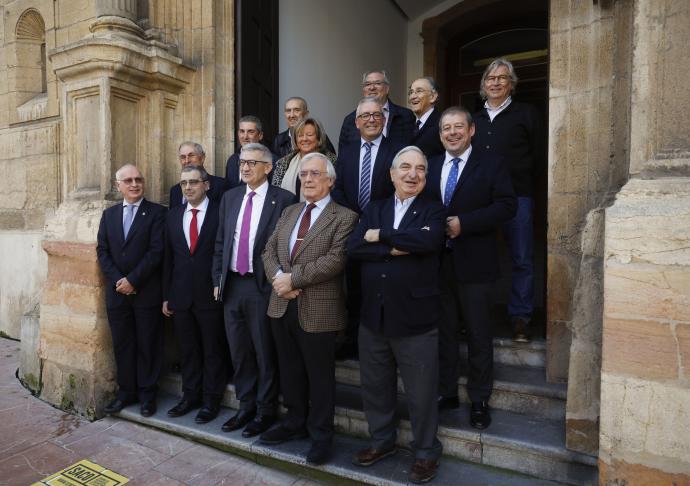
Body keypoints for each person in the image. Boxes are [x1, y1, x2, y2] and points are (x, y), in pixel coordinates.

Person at [348, 146, 446, 484]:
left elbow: (429, 243)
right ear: (391, 174)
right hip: (373, 317)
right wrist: (397, 245)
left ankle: (425, 452)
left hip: (416, 319)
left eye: (420, 168)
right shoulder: (374, 208)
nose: (413, 174)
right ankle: (382, 441)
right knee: (375, 387)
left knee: (421, 393)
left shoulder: (434, 210)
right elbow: (354, 247)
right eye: (405, 167)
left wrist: (383, 236)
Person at [259, 153, 358, 466]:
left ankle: (321, 435)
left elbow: (336, 259)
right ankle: (294, 422)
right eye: (304, 175)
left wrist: (293, 279)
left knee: (320, 377)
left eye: (315, 174)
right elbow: (268, 250)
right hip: (281, 305)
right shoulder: (289, 211)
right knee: (290, 371)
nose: (309, 179)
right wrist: (278, 279)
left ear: (330, 180)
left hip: (320, 310)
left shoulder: (345, 216)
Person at [425, 107, 516, 429]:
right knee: (444, 333)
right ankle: (447, 392)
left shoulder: (492, 164)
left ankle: (479, 400)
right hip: (438, 264)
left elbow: (507, 205)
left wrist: (466, 223)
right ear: (440, 135)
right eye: (446, 128)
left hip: (476, 262)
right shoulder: (431, 165)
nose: (452, 133)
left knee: (478, 335)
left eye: (458, 127)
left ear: (471, 130)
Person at [212, 143, 296, 437]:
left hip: (263, 287)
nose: (245, 167)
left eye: (251, 162)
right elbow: (221, 242)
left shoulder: (284, 200)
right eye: (242, 163)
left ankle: (265, 411)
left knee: (264, 351)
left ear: (268, 168)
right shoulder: (230, 197)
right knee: (239, 351)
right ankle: (245, 406)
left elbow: (287, 248)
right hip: (232, 285)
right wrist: (217, 280)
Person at [472, 59, 544, 342]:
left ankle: (520, 318)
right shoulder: (473, 120)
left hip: (517, 197)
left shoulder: (527, 113)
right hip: (480, 200)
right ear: (483, 85)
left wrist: (523, 182)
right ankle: (478, 315)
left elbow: (538, 156)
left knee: (522, 258)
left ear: (511, 83)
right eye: (490, 78)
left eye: (502, 77)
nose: (496, 82)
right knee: (479, 257)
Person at [332, 96, 403, 358]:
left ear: (384, 121)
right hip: (353, 230)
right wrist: (355, 217)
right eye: (365, 116)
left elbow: (399, 189)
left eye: (376, 115)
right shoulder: (348, 151)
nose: (371, 120)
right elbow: (337, 188)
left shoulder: (397, 149)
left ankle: (385, 347)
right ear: (356, 121)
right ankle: (353, 341)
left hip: (382, 230)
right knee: (354, 288)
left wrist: (372, 218)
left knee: (382, 288)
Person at [96, 164, 166, 417]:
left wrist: (133, 280)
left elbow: (156, 251)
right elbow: (102, 251)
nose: (134, 184)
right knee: (123, 345)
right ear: (118, 186)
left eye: (138, 179)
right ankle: (126, 392)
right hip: (117, 294)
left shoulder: (157, 213)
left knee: (149, 344)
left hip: (146, 292)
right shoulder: (109, 215)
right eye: (128, 180)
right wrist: (119, 280)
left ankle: (148, 394)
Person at [162, 165, 227, 424]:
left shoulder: (220, 212)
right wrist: (167, 295)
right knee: (188, 350)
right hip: (181, 296)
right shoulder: (173, 215)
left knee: (212, 350)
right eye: (184, 183)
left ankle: (211, 401)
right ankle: (190, 396)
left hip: (210, 295)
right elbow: (168, 258)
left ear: (206, 184)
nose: (188, 187)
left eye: (193, 182)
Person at [338, 70, 415, 154]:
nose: (372, 88)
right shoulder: (350, 120)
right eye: (367, 84)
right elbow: (343, 154)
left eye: (377, 83)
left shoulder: (405, 116)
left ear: (387, 89)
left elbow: (412, 148)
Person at [271, 117, 336, 199]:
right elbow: (276, 194)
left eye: (309, 135)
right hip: (288, 211)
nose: (304, 139)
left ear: (319, 138)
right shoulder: (283, 163)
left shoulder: (332, 162)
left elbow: (336, 192)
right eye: (300, 135)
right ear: (295, 139)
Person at [170, 142, 230, 208]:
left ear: (202, 158)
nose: (187, 161)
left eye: (191, 155)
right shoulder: (175, 191)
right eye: (183, 157)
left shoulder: (221, 186)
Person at [225, 116, 275, 187]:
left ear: (260, 135)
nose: (245, 137)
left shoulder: (273, 160)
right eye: (242, 131)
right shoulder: (232, 160)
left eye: (250, 132)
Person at [408, 77, 444, 158]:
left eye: (419, 91)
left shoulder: (442, 123)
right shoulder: (407, 123)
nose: (413, 96)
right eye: (411, 92)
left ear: (433, 97)